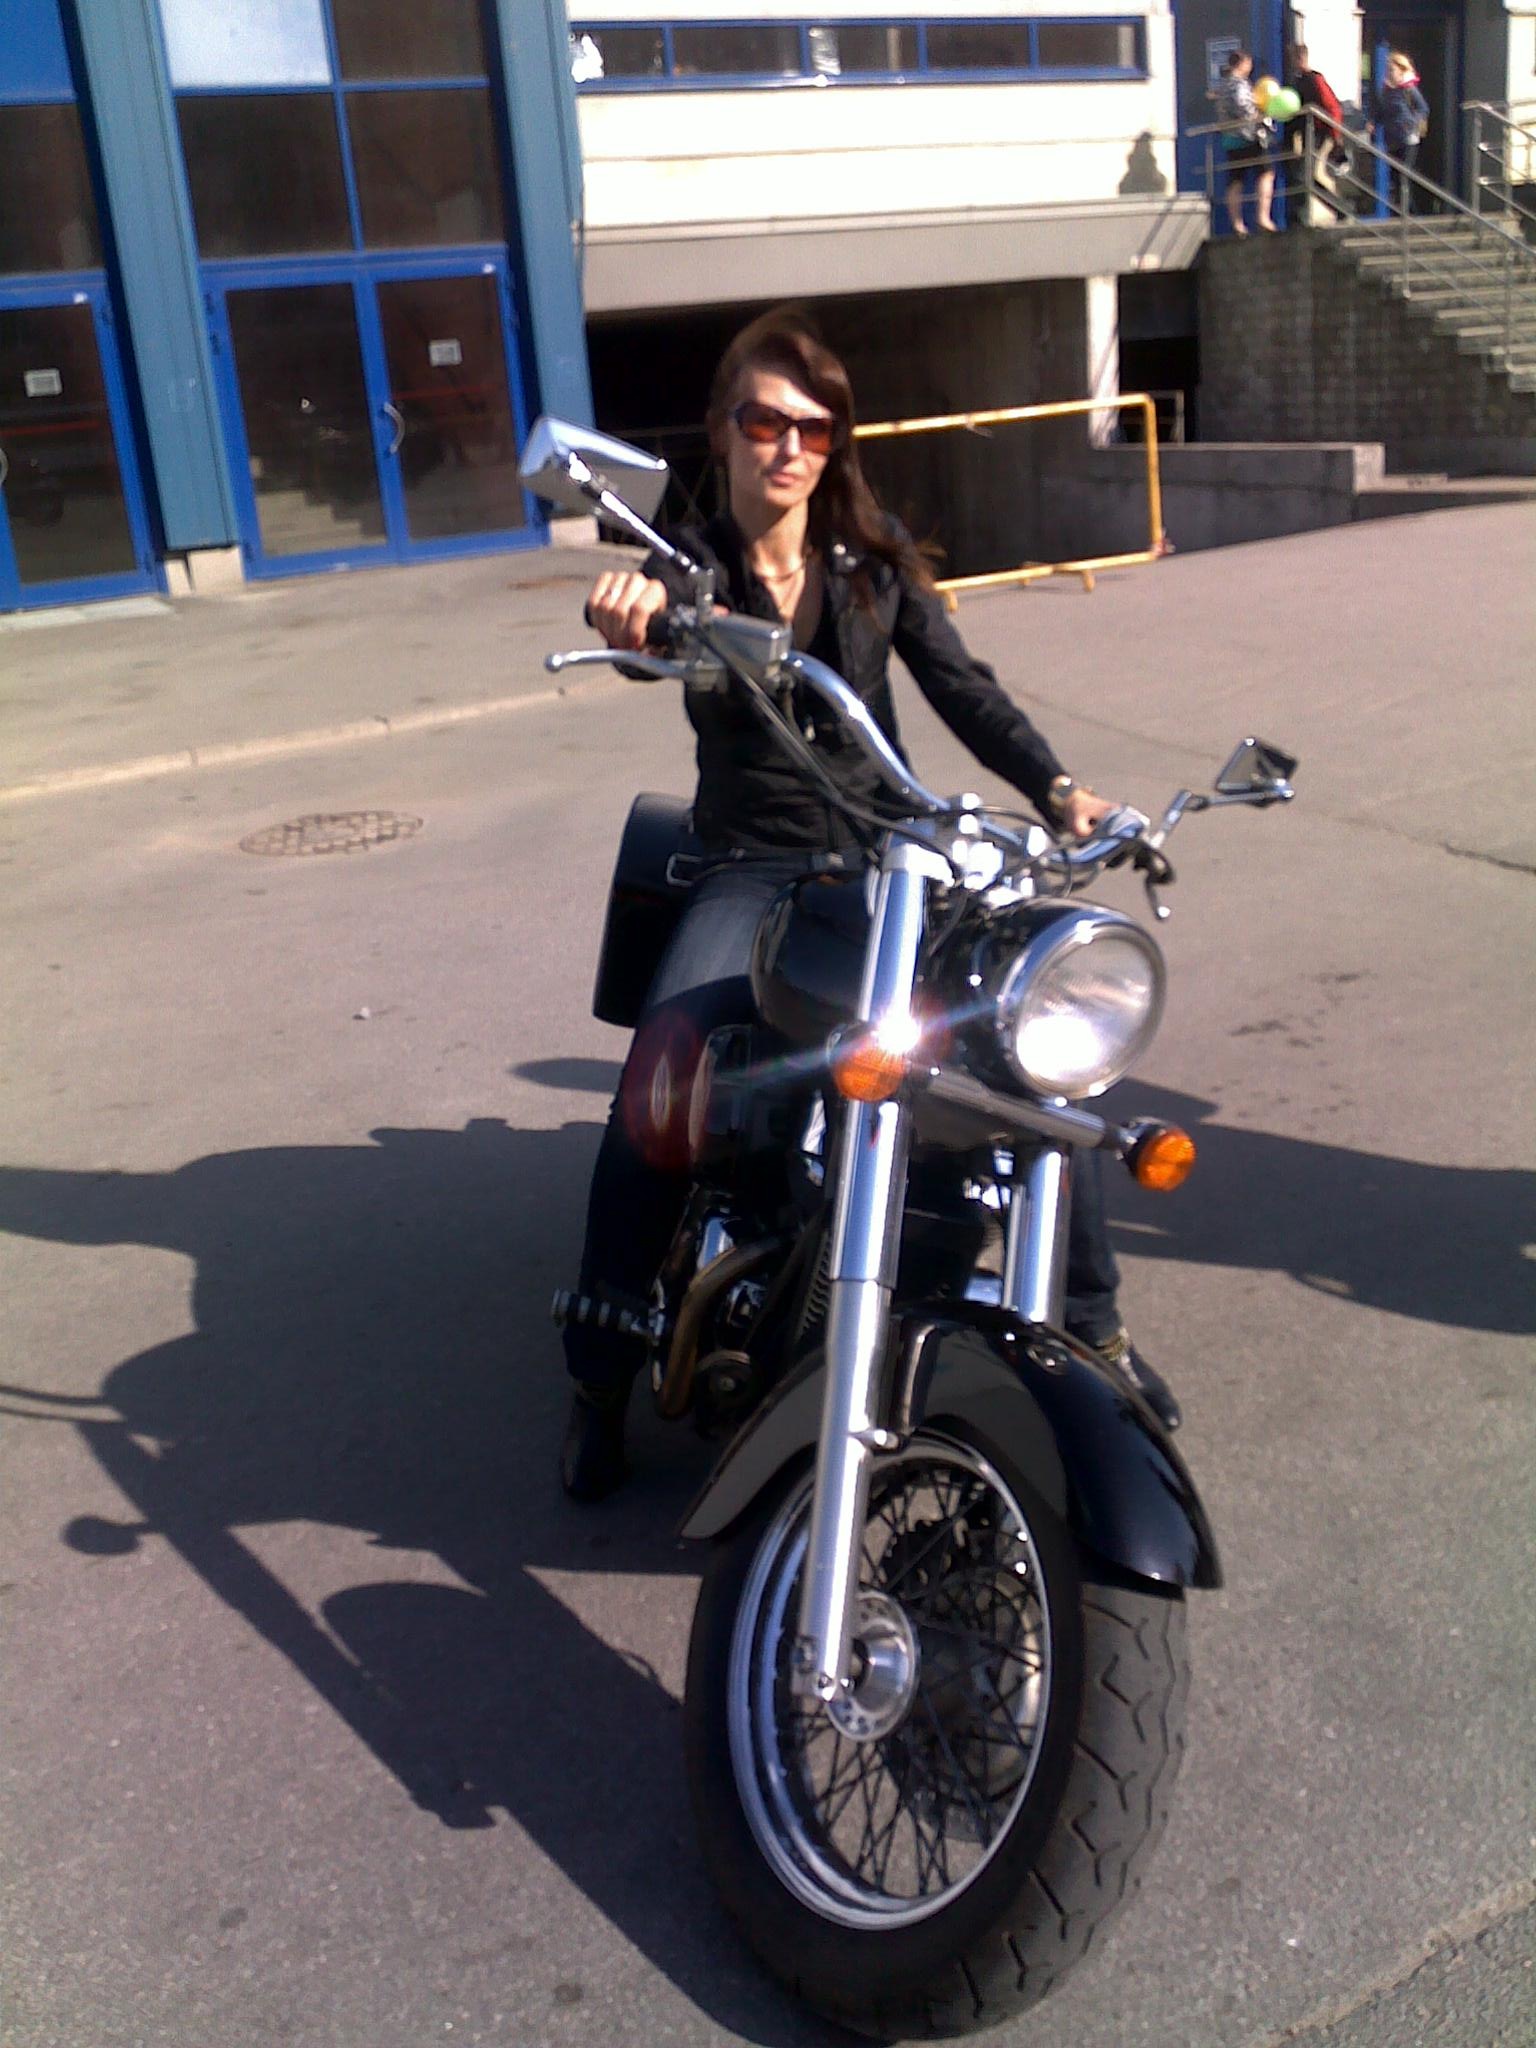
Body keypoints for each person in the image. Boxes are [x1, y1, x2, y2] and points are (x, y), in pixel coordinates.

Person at [560, 308, 1181, 1501]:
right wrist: (626, 614)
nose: (790, 445)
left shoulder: (869, 561)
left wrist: (1060, 790)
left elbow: (963, 686)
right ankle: (595, 1374)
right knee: (659, 1081)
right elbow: (638, 620)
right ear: (722, 430)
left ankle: (1095, 1326)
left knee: (1032, 1050)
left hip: (892, 848)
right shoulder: (687, 561)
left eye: (815, 426)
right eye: (765, 421)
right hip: (753, 859)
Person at [1213, 50, 1276, 234]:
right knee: (1266, 174)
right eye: (1249, 63)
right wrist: (1260, 113)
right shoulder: (1238, 84)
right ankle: (1263, 217)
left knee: (1236, 181)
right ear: (1242, 63)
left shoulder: (1223, 84)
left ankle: (1237, 224)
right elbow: (1243, 107)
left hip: (1230, 139)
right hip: (1247, 137)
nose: (1250, 67)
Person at [1371, 51, 1429, 214]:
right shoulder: (1387, 91)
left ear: (1401, 70)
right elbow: (1382, 112)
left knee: (1404, 176)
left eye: (1392, 70)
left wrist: (1411, 122)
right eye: (1388, 70)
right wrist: (1374, 122)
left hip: (1408, 138)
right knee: (1395, 178)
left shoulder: (1409, 89)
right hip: (1392, 139)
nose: (1389, 73)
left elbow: (1423, 108)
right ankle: (1403, 212)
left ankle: (1409, 213)